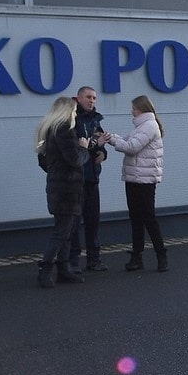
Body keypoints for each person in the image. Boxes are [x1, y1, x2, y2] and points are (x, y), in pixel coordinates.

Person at [104, 95, 167, 271]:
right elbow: (127, 141)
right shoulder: (142, 126)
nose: (132, 111)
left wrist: (112, 140)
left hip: (144, 180)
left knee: (148, 218)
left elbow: (131, 147)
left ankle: (161, 255)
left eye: (133, 108)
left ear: (141, 108)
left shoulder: (149, 126)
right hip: (134, 178)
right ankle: (137, 257)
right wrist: (110, 137)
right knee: (136, 218)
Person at [34, 96, 89, 288]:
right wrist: (84, 148)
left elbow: (44, 161)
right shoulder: (64, 129)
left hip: (58, 187)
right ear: (67, 111)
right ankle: (46, 269)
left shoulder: (49, 129)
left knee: (66, 229)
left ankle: (63, 269)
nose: (75, 114)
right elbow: (75, 159)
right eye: (74, 111)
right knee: (62, 231)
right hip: (68, 189)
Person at [69, 86, 108, 273]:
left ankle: (94, 259)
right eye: (88, 97)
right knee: (74, 223)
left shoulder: (95, 120)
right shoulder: (71, 119)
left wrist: (102, 153)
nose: (92, 101)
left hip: (92, 177)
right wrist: (95, 145)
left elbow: (99, 143)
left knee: (93, 221)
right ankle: (73, 261)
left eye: (94, 98)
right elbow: (78, 146)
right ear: (79, 98)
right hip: (77, 179)